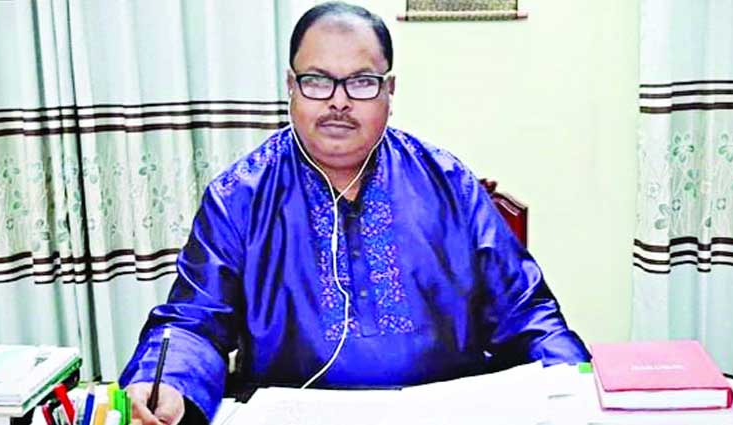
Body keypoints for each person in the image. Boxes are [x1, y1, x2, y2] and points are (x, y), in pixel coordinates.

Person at [121, 2, 590, 424]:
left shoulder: (449, 184)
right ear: (291, 86)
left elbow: (527, 314)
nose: (338, 101)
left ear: (390, 90)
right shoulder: (239, 197)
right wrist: (170, 384)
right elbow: (192, 322)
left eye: (362, 82)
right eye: (317, 80)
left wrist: (575, 389)